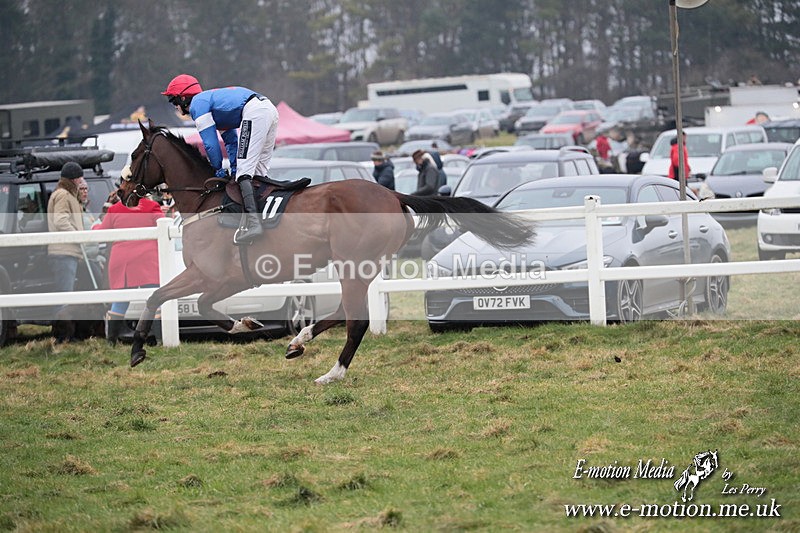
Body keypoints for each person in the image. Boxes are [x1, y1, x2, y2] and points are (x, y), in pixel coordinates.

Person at [162, 74, 279, 244]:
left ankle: (254, 224)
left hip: (256, 112)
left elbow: (210, 144)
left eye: (174, 102)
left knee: (244, 174)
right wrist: (232, 168)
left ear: (183, 98)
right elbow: (231, 142)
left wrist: (216, 168)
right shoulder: (214, 106)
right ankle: (265, 218)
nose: (176, 108)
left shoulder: (198, 105)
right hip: (268, 110)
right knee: (256, 173)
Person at [93, 166, 164, 345]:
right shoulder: (152, 206)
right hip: (147, 259)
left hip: (122, 260)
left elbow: (100, 232)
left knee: (121, 301)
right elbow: (164, 225)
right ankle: (155, 339)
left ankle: (111, 341)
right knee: (153, 299)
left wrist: (94, 225)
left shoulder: (115, 209)